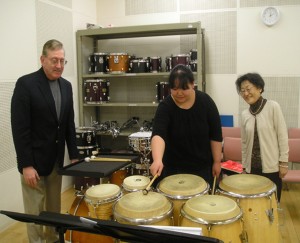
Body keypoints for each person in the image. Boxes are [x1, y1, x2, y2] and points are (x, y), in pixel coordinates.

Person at [11, 39, 79, 243]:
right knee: (35, 214)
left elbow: (68, 124)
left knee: (53, 210)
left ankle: (53, 240)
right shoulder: (26, 84)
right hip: (33, 164)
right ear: (42, 60)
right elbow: (20, 128)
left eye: (62, 61)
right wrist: (26, 165)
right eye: (54, 60)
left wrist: (74, 155)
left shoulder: (66, 86)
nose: (59, 65)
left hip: (55, 163)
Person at [150, 64, 223, 188]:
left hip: (202, 168)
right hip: (173, 169)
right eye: (174, 88)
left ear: (193, 84)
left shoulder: (206, 102)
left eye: (184, 88)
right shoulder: (165, 107)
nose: (179, 93)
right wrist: (157, 160)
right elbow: (158, 134)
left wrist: (217, 162)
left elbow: (215, 135)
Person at [235, 72, 288, 202]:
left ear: (259, 88)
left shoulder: (273, 107)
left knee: (271, 204)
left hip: (272, 167)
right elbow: (244, 143)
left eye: (248, 89)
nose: (246, 93)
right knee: (254, 204)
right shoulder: (244, 114)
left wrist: (284, 163)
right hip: (251, 168)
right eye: (242, 91)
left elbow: (282, 136)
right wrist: (244, 166)